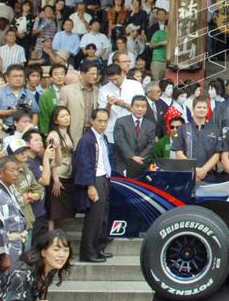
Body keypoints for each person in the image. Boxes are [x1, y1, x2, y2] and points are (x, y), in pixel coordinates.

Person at [74, 108, 113, 263]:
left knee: (103, 217)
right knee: (94, 218)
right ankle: (88, 252)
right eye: (100, 121)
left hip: (104, 177)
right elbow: (84, 164)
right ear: (92, 120)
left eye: (105, 121)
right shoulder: (87, 139)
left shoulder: (102, 138)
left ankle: (98, 248)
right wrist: (90, 185)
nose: (103, 124)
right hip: (94, 180)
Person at [171, 97, 224, 182]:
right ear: (193, 109)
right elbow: (179, 153)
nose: (201, 110)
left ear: (208, 110)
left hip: (208, 176)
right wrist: (195, 170)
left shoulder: (215, 130)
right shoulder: (183, 129)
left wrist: (203, 170)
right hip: (187, 175)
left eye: (204, 107)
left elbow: (217, 154)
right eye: (199, 107)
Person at [0, 155, 28, 271]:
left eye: (17, 170)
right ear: (1, 173)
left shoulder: (11, 188)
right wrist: (4, 254)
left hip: (17, 243)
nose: (16, 173)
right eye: (12, 170)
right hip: (8, 246)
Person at [45, 106, 76, 230]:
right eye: (62, 116)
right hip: (57, 174)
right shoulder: (54, 134)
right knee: (54, 212)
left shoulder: (67, 132)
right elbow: (51, 159)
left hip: (68, 173)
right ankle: (51, 236)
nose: (66, 118)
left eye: (67, 115)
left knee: (65, 212)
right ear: (55, 120)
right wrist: (56, 179)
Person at [97, 63, 145, 143]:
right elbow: (103, 114)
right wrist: (109, 104)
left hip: (132, 131)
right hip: (111, 132)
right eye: (111, 80)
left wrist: (123, 104)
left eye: (116, 79)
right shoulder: (103, 90)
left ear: (122, 74)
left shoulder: (136, 85)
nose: (114, 82)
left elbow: (141, 109)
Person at [113, 95, 157, 178]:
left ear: (146, 108)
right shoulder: (121, 121)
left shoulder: (151, 125)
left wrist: (140, 158)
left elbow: (151, 144)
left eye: (143, 106)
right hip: (124, 163)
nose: (140, 109)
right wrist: (132, 156)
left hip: (142, 163)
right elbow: (120, 141)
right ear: (131, 107)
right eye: (137, 106)